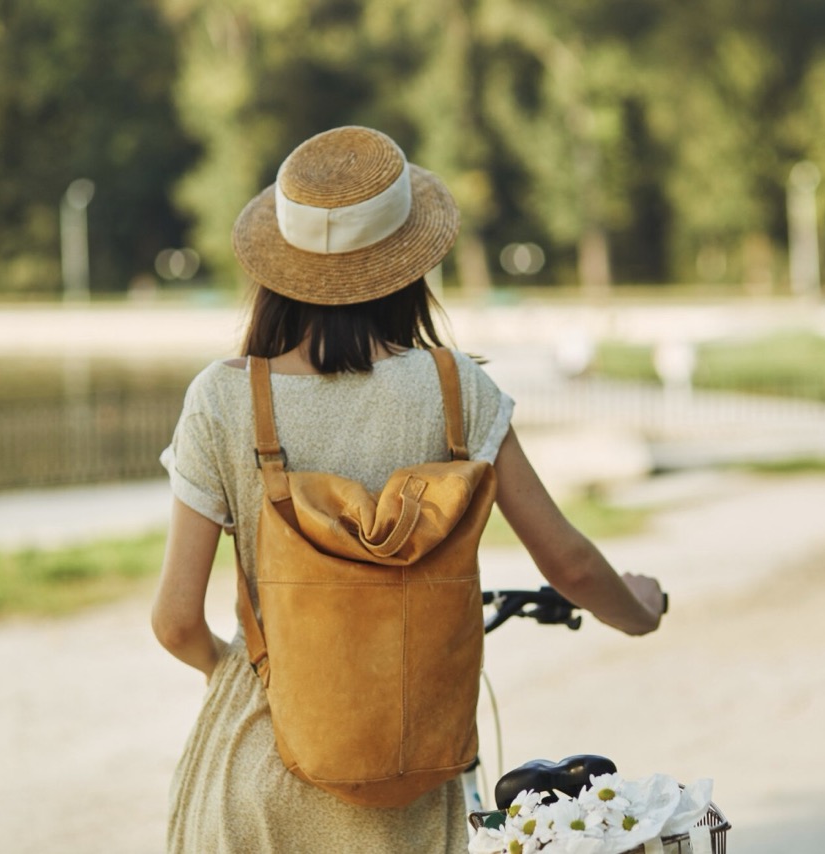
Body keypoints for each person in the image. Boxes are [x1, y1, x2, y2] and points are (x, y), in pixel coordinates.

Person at [150, 125, 665, 853]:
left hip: (254, 782)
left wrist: (260, 667)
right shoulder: (460, 394)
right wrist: (638, 610)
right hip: (409, 789)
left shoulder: (224, 400)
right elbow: (571, 565)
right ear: (409, 265)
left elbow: (175, 621)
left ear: (278, 268)